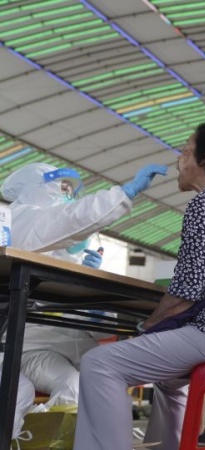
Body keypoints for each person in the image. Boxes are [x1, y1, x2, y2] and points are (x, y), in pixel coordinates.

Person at [74, 121, 205, 450]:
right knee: (170, 379)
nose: (178, 160)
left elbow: (186, 291)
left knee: (100, 363)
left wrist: (149, 325)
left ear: (204, 158)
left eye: (185, 151)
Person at [0, 161, 167, 440]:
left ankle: (47, 440)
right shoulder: (20, 218)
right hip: (23, 345)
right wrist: (122, 194)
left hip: (47, 351)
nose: (68, 197)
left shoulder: (63, 259)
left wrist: (97, 310)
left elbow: (94, 332)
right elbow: (68, 220)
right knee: (19, 392)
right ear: (36, 188)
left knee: (75, 387)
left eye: (71, 191)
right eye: (63, 188)